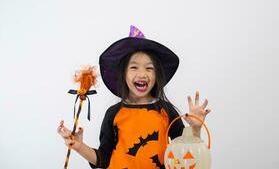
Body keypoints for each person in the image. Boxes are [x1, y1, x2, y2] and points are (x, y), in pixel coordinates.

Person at [57, 26, 211, 168]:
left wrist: (196, 128)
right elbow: (104, 160)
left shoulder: (165, 111)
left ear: (157, 75)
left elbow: (185, 155)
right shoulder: (114, 114)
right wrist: (79, 146)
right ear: (123, 74)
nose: (142, 74)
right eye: (134, 67)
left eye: (149, 68)